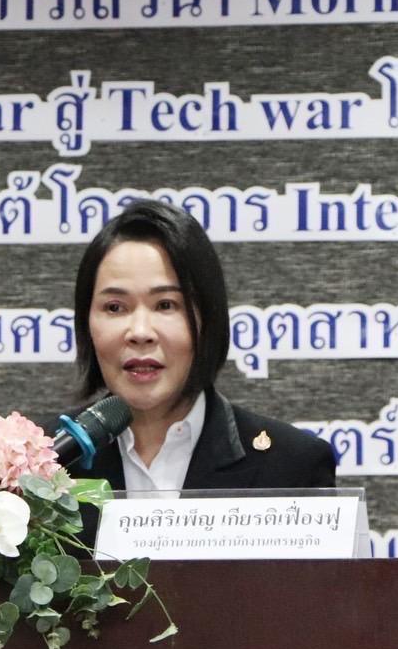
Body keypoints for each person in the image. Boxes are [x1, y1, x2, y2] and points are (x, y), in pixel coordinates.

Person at [64, 199, 337, 494]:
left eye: (166, 305)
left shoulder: (292, 466)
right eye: (115, 307)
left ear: (208, 317)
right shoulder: (42, 462)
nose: (140, 332)